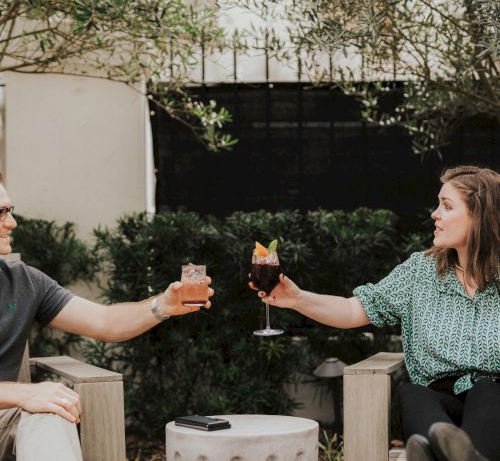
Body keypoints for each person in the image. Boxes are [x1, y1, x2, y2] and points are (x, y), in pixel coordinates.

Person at [250, 165, 500, 461]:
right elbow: (353, 310)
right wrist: (297, 299)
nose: (435, 214)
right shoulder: (419, 272)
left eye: (446, 206)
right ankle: (452, 451)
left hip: (493, 408)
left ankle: (437, 454)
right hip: (439, 402)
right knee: (413, 394)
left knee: (487, 389)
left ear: (480, 216)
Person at [0, 173, 214, 461]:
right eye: (0, 213)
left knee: (52, 412)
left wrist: (162, 305)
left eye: (9, 210)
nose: (12, 222)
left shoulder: (23, 282)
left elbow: (105, 322)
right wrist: (21, 394)